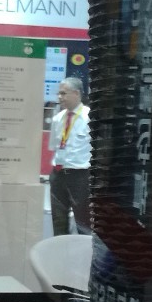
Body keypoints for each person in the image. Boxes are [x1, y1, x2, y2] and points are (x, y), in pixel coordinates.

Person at [49, 77, 91, 236]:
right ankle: (60, 249)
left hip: (80, 176)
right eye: (59, 94)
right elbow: (54, 146)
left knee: (83, 221)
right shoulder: (58, 118)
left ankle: (84, 251)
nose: (60, 97)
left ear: (76, 93)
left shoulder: (90, 117)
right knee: (58, 219)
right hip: (58, 174)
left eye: (63, 93)